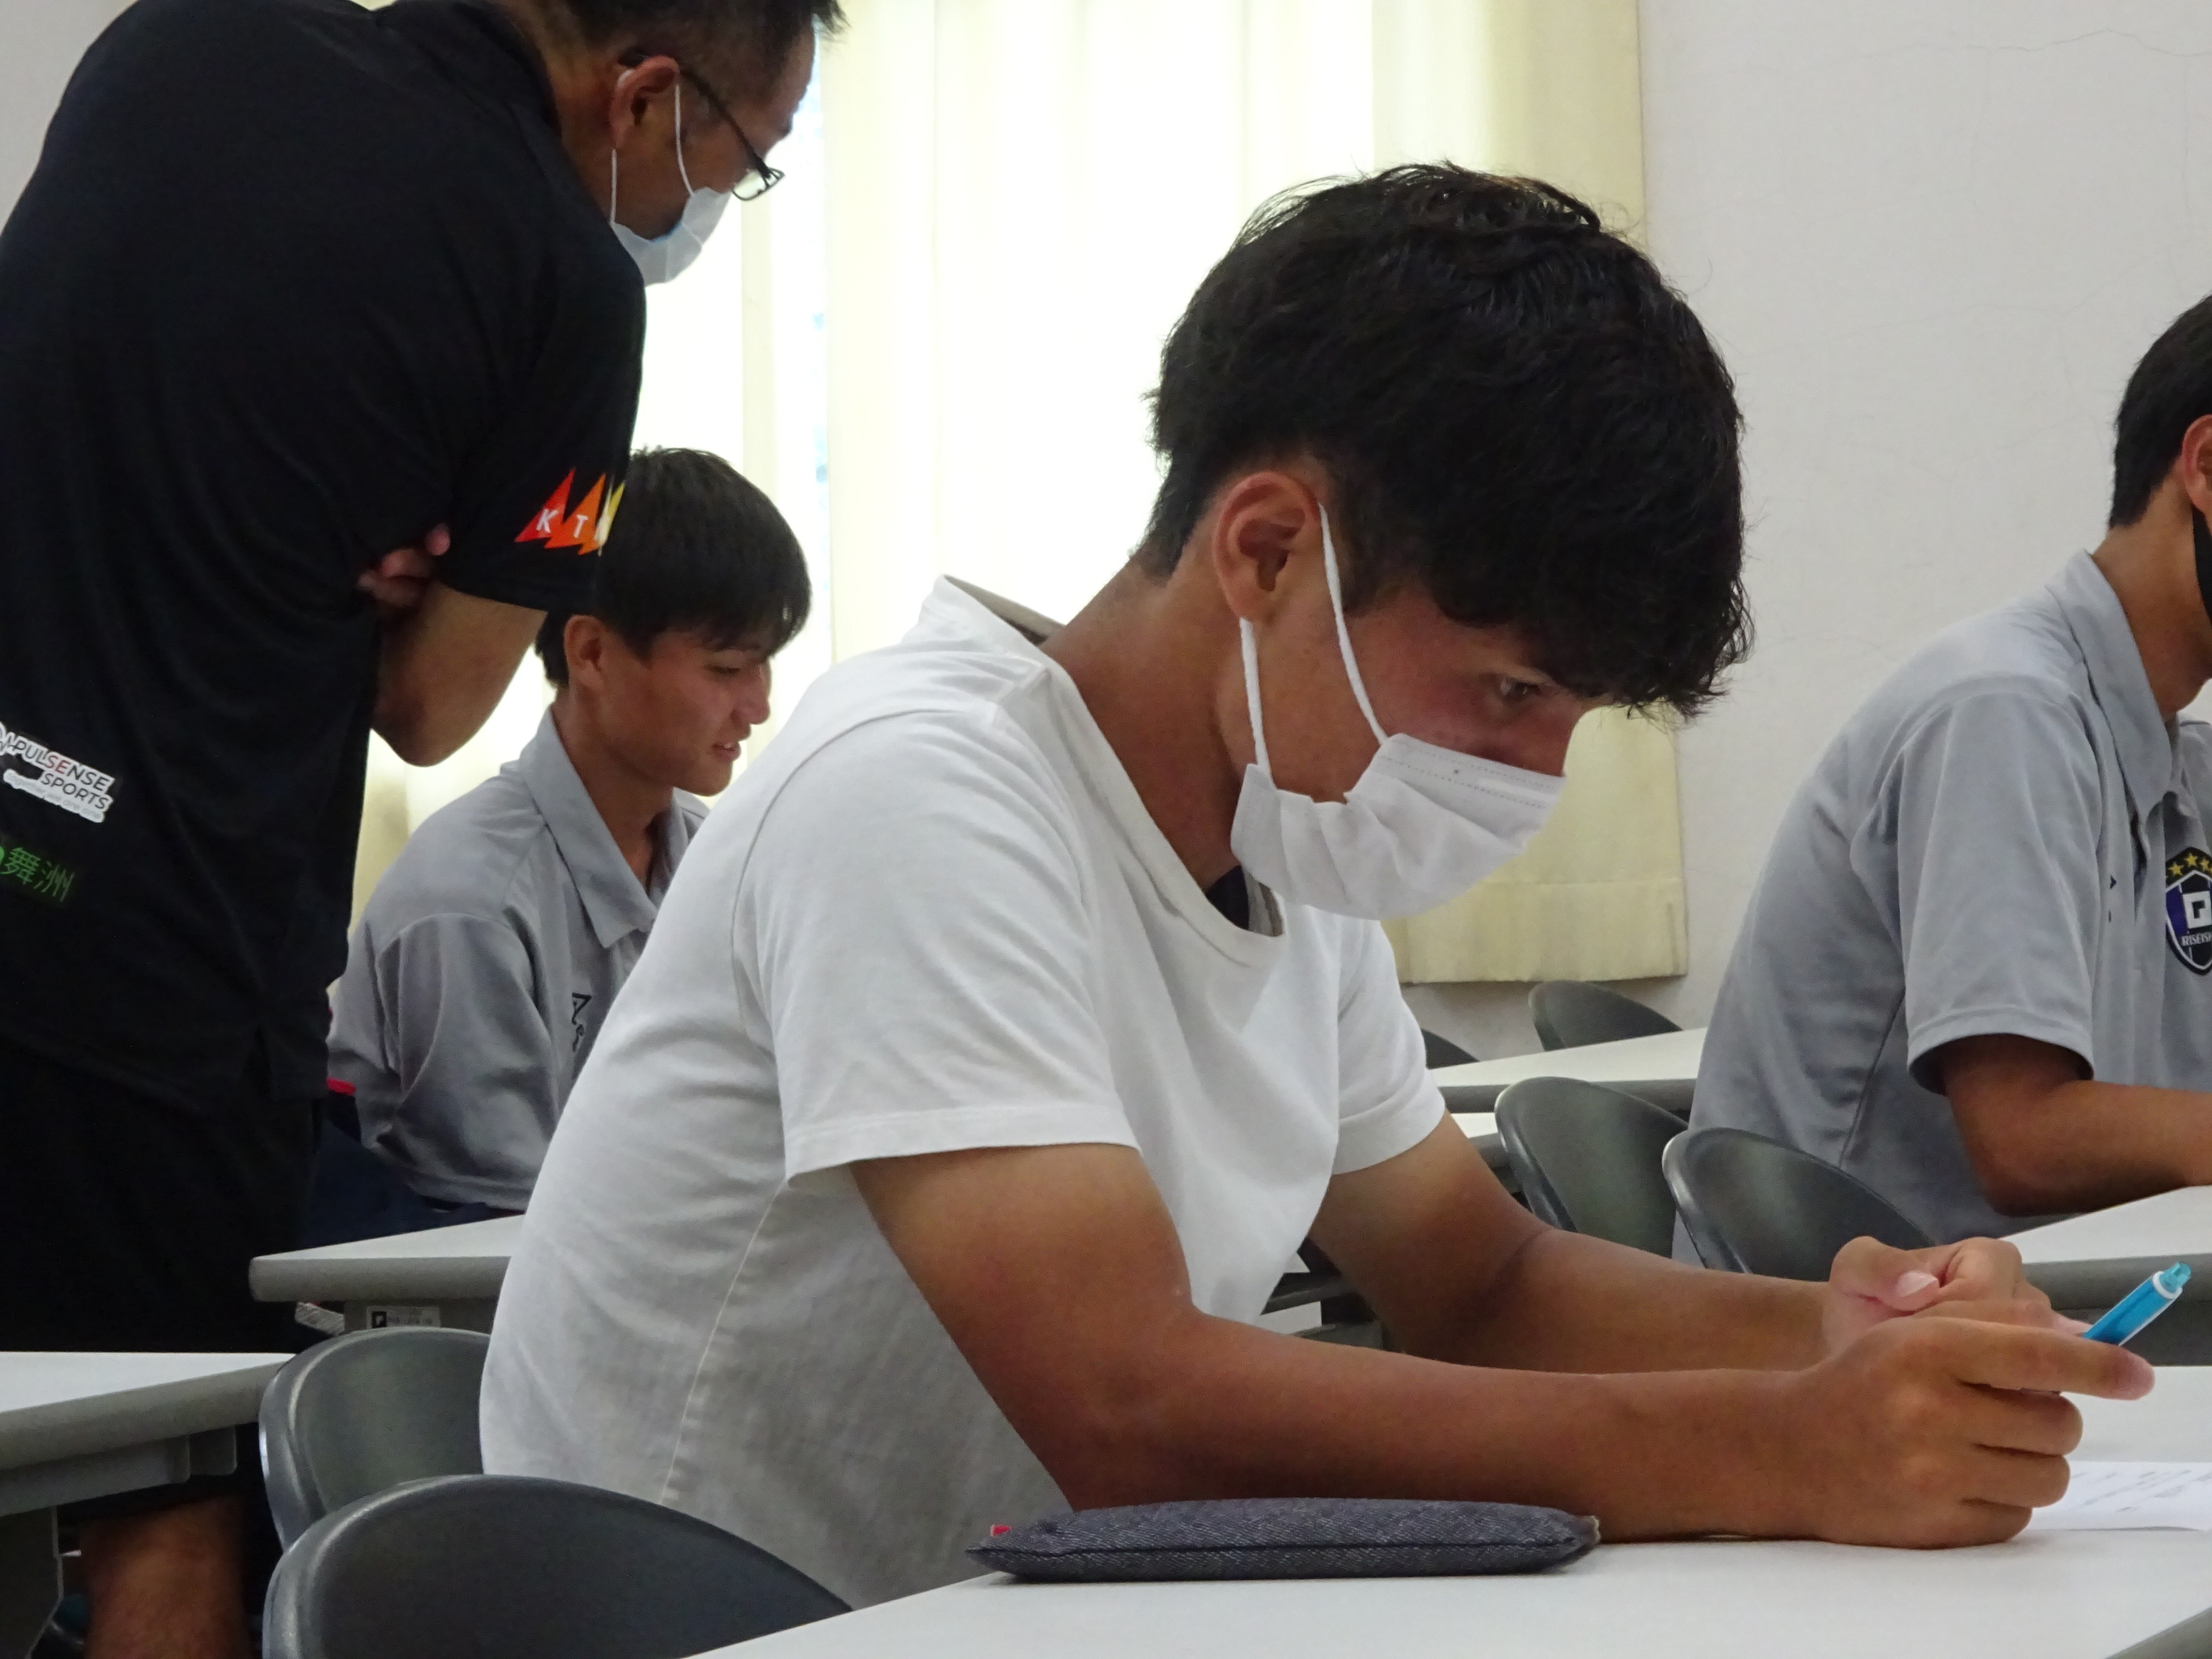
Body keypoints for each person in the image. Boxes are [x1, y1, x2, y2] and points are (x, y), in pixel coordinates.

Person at [479, 167, 2145, 1610]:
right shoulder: (917, 793)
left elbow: (1482, 1282)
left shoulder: (1285, 843)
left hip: (1006, 1613)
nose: (1532, 773)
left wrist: (1849, 1334)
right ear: (1268, 551)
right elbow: (1130, 1413)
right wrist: (1775, 1442)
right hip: (727, 1624)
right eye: (1507, 691)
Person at [0, 0, 828, 1651]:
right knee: (166, 1494)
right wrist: (397, 567)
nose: (712, 203)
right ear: (646, 95)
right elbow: (438, 701)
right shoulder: (567, 287)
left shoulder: (172, 43)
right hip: (159, 941)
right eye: (741, 160)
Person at [1687, 295, 2212, 1245]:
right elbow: (2025, 1142)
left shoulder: (2179, 768)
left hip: (2056, 1286)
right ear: (2205, 466)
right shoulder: (2004, 713)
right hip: (1852, 1305)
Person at [326, 448, 808, 1216]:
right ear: (591, 653)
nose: (757, 707)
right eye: (726, 670)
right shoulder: (471, 900)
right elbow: (500, 1232)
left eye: (764, 666)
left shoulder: (718, 857)